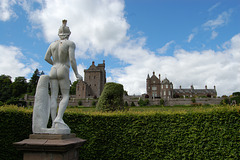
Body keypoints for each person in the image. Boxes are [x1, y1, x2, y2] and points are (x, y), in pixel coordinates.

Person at [44, 20, 82, 130]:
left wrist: (54, 64)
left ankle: (52, 124)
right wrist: (77, 74)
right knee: (65, 95)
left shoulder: (52, 44)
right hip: (63, 69)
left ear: (59, 34)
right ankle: (59, 118)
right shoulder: (70, 44)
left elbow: (46, 58)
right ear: (69, 34)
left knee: (54, 97)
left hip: (53, 69)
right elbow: (71, 59)